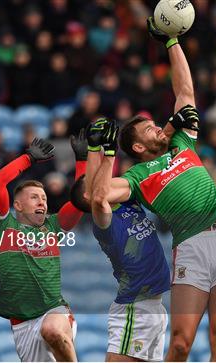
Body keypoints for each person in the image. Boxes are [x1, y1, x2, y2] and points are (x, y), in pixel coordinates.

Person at [99, 19, 216, 361]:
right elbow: (100, 195)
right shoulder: (138, 175)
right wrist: (103, 154)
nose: (157, 128)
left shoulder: (181, 144)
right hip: (191, 245)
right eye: (150, 129)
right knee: (180, 343)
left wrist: (171, 41)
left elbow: (184, 92)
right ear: (137, 147)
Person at [70, 121, 171, 361]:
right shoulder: (103, 221)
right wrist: (106, 153)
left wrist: (94, 150)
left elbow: (97, 187)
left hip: (155, 307)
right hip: (135, 308)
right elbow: (97, 196)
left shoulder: (126, 199)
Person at [0, 136, 86, 362]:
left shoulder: (52, 226)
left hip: (54, 310)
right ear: (18, 205)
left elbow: (82, 199)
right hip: (22, 325)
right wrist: (28, 159)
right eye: (34, 197)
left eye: (43, 198)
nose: (42, 202)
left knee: (52, 330)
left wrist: (82, 161)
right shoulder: (4, 226)